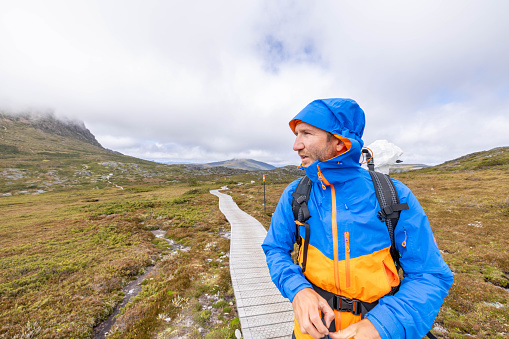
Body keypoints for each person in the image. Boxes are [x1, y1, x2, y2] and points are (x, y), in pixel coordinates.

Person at [262, 98, 453, 339]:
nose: (296, 145)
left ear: (340, 142)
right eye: (296, 134)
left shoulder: (393, 195)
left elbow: (430, 274)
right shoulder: (295, 193)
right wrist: (298, 290)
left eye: (306, 134)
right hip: (310, 332)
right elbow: (275, 249)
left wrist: (384, 325)